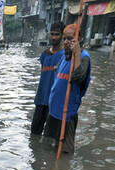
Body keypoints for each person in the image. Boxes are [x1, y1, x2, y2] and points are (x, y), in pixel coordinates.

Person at [45, 24, 91, 154]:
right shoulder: (65, 54)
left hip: (67, 111)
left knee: (65, 151)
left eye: (70, 39)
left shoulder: (83, 57)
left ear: (79, 39)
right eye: (64, 38)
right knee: (49, 146)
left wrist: (76, 52)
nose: (65, 42)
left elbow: (78, 78)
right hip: (54, 108)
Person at [31, 22, 64, 135]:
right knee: (34, 131)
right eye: (52, 34)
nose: (54, 37)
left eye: (57, 34)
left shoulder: (64, 56)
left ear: (62, 36)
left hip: (54, 100)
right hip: (41, 97)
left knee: (50, 135)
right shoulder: (44, 54)